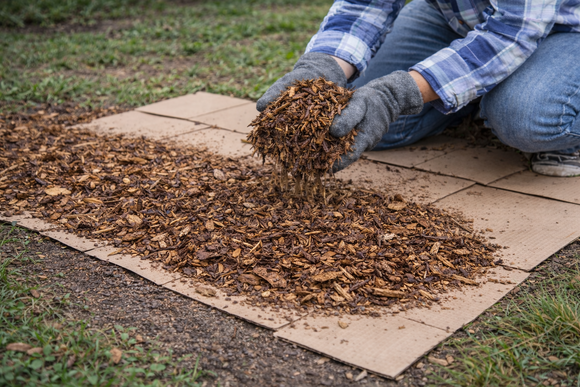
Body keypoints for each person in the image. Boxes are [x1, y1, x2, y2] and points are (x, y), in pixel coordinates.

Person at [257, 0, 580, 177]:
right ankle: (462, 89)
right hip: (455, 17)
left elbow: (510, 32)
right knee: (365, 125)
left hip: (561, 30)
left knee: (524, 118)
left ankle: (565, 131)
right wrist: (321, 67)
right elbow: (363, 5)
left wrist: (397, 94)